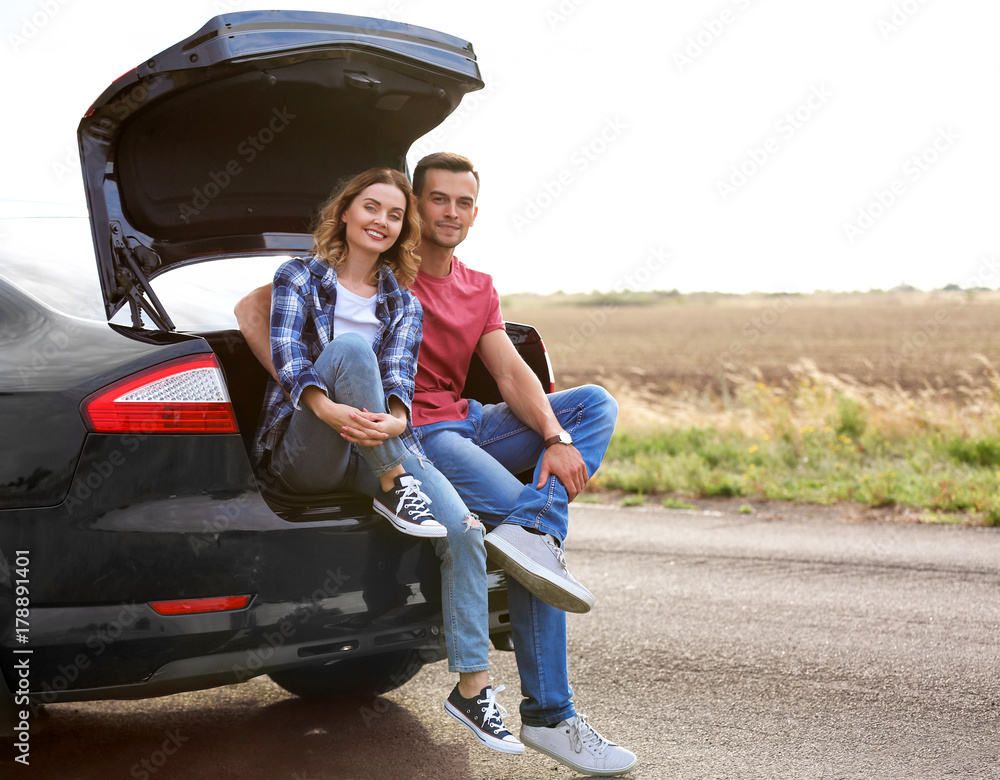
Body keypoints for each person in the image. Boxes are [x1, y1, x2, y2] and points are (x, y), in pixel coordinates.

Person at [238, 156, 636, 775]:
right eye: (437, 200)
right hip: (416, 433)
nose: (450, 212)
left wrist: (555, 435)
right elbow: (257, 312)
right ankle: (550, 714)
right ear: (416, 209)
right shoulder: (383, 267)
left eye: (464, 202)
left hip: (461, 419)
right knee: (533, 555)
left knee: (595, 407)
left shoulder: (469, 288)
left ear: (475, 213)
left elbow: (508, 373)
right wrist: (313, 400)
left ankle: (535, 525)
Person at [247, 167, 523, 755]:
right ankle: (394, 484)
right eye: (371, 207)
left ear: (404, 230)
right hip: (309, 446)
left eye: (395, 215)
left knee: (465, 529)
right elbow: (291, 360)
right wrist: (328, 413)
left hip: (375, 443)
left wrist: (396, 420)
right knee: (348, 348)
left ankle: (473, 688)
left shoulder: (404, 301)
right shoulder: (299, 276)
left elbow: (400, 383)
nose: (381, 221)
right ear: (345, 212)